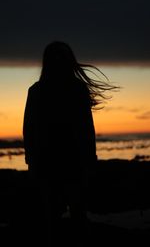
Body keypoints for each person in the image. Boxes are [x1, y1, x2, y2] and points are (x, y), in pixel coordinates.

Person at [23, 41, 118, 243]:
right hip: (50, 162)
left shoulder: (74, 90)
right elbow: (29, 129)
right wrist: (31, 160)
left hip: (69, 162)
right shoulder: (39, 91)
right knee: (56, 216)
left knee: (72, 214)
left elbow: (86, 128)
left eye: (61, 57)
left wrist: (90, 160)